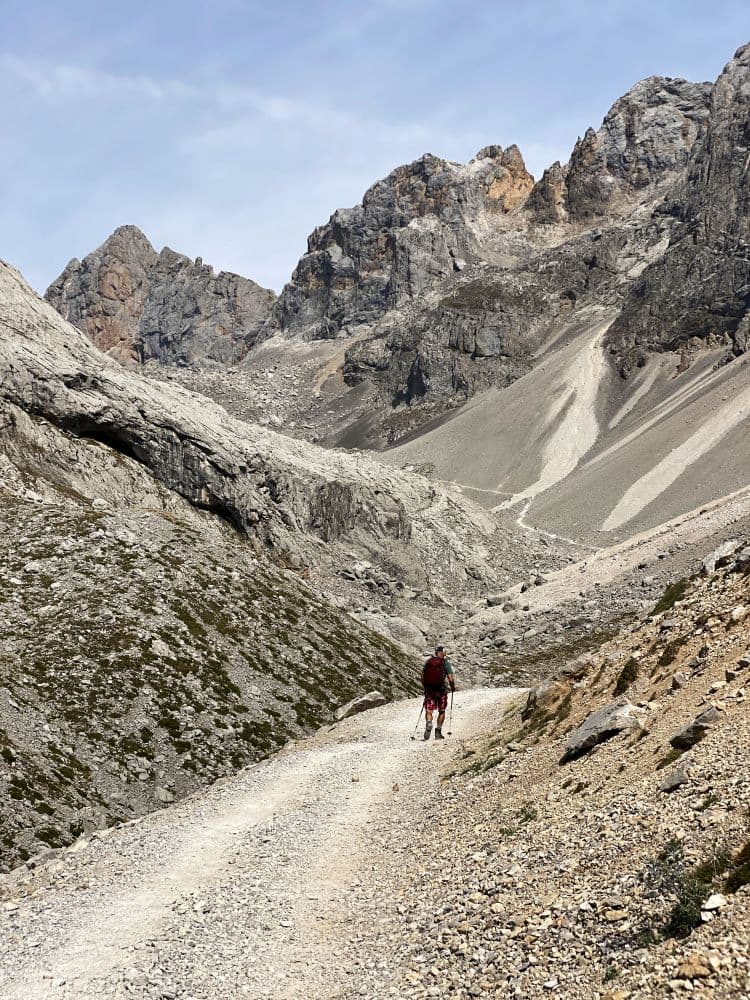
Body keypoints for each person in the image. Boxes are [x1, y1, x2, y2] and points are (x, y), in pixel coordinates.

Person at [421, 646, 455, 740]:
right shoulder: (445, 662)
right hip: (441, 691)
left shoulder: (429, 662)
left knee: (429, 710)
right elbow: (450, 678)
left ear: (436, 653)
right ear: (443, 653)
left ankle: (429, 722)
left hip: (430, 690)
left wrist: (425, 688)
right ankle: (438, 732)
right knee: (442, 711)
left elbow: (422, 676)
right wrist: (452, 687)